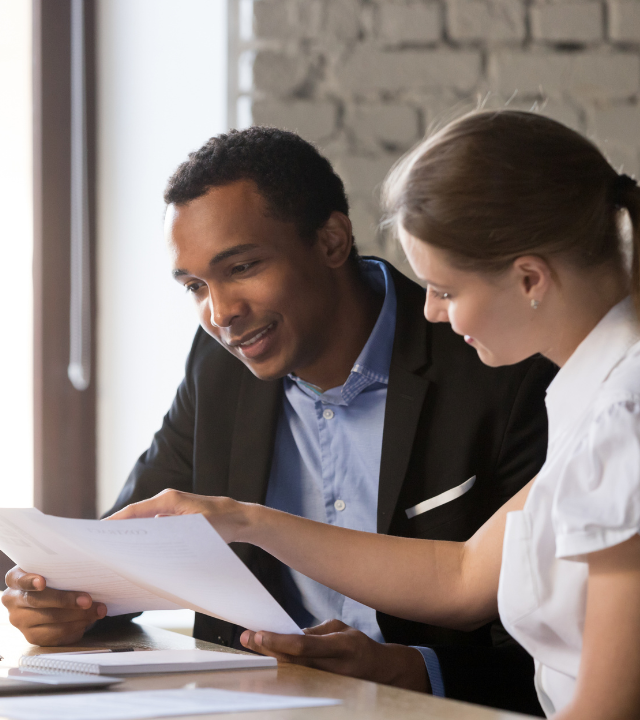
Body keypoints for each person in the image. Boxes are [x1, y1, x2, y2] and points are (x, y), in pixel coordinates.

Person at [2, 127, 554, 714]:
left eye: (240, 267)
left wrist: (415, 669)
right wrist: (66, 603)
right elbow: (131, 546)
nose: (220, 314)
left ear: (332, 240)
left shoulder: (500, 369)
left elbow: (561, 646)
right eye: (195, 286)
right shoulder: (217, 370)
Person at [107, 111, 640, 719]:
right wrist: (242, 521)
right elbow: (461, 577)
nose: (432, 313)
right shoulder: (591, 397)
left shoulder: (621, 418)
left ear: (529, 279)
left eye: (444, 289)